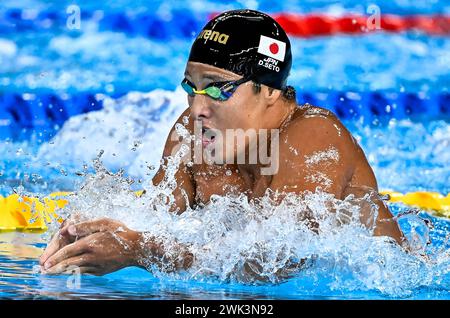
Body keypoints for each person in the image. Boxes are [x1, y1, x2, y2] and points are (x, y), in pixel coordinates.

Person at [39, 9, 405, 276]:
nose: (197, 108)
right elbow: (158, 218)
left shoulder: (314, 137)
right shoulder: (194, 133)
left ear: (270, 91)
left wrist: (139, 250)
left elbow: (274, 265)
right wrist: (96, 232)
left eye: (217, 88)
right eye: (191, 87)